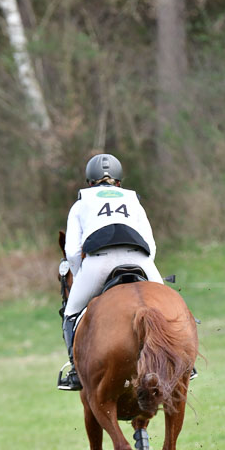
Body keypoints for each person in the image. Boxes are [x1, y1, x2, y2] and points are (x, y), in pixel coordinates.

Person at [58, 153, 164, 391]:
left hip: (99, 261)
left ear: (89, 182)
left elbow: (73, 252)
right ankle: (184, 359)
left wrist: (81, 274)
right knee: (169, 308)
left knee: (71, 313)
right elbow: (151, 244)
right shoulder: (133, 200)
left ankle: (75, 371)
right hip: (140, 258)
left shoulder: (80, 204)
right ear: (118, 181)